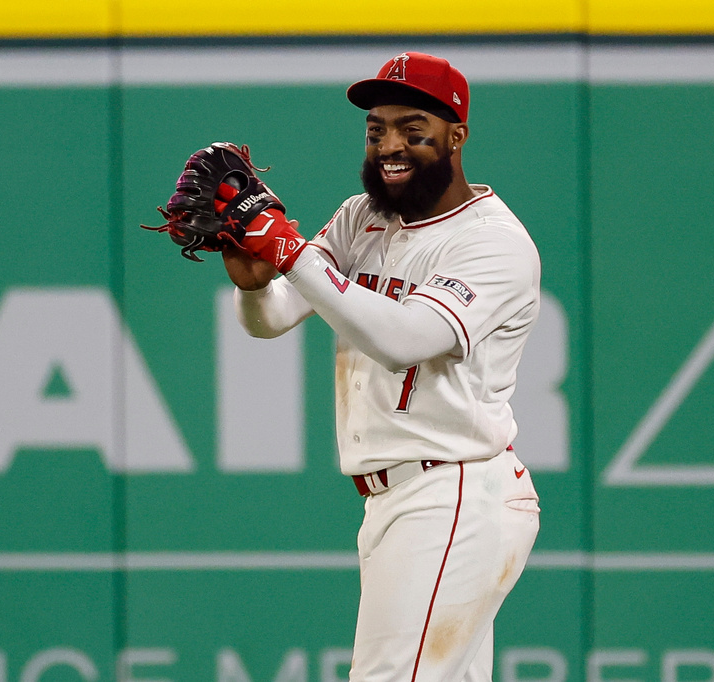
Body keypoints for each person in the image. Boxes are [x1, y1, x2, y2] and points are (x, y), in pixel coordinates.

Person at [222, 52, 542, 682]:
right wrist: (255, 278)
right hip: (400, 501)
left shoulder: (492, 241)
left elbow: (404, 337)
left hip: (452, 494)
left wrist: (290, 253)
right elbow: (274, 317)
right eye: (376, 130)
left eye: (412, 129)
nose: (390, 146)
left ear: (457, 136)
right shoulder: (362, 217)